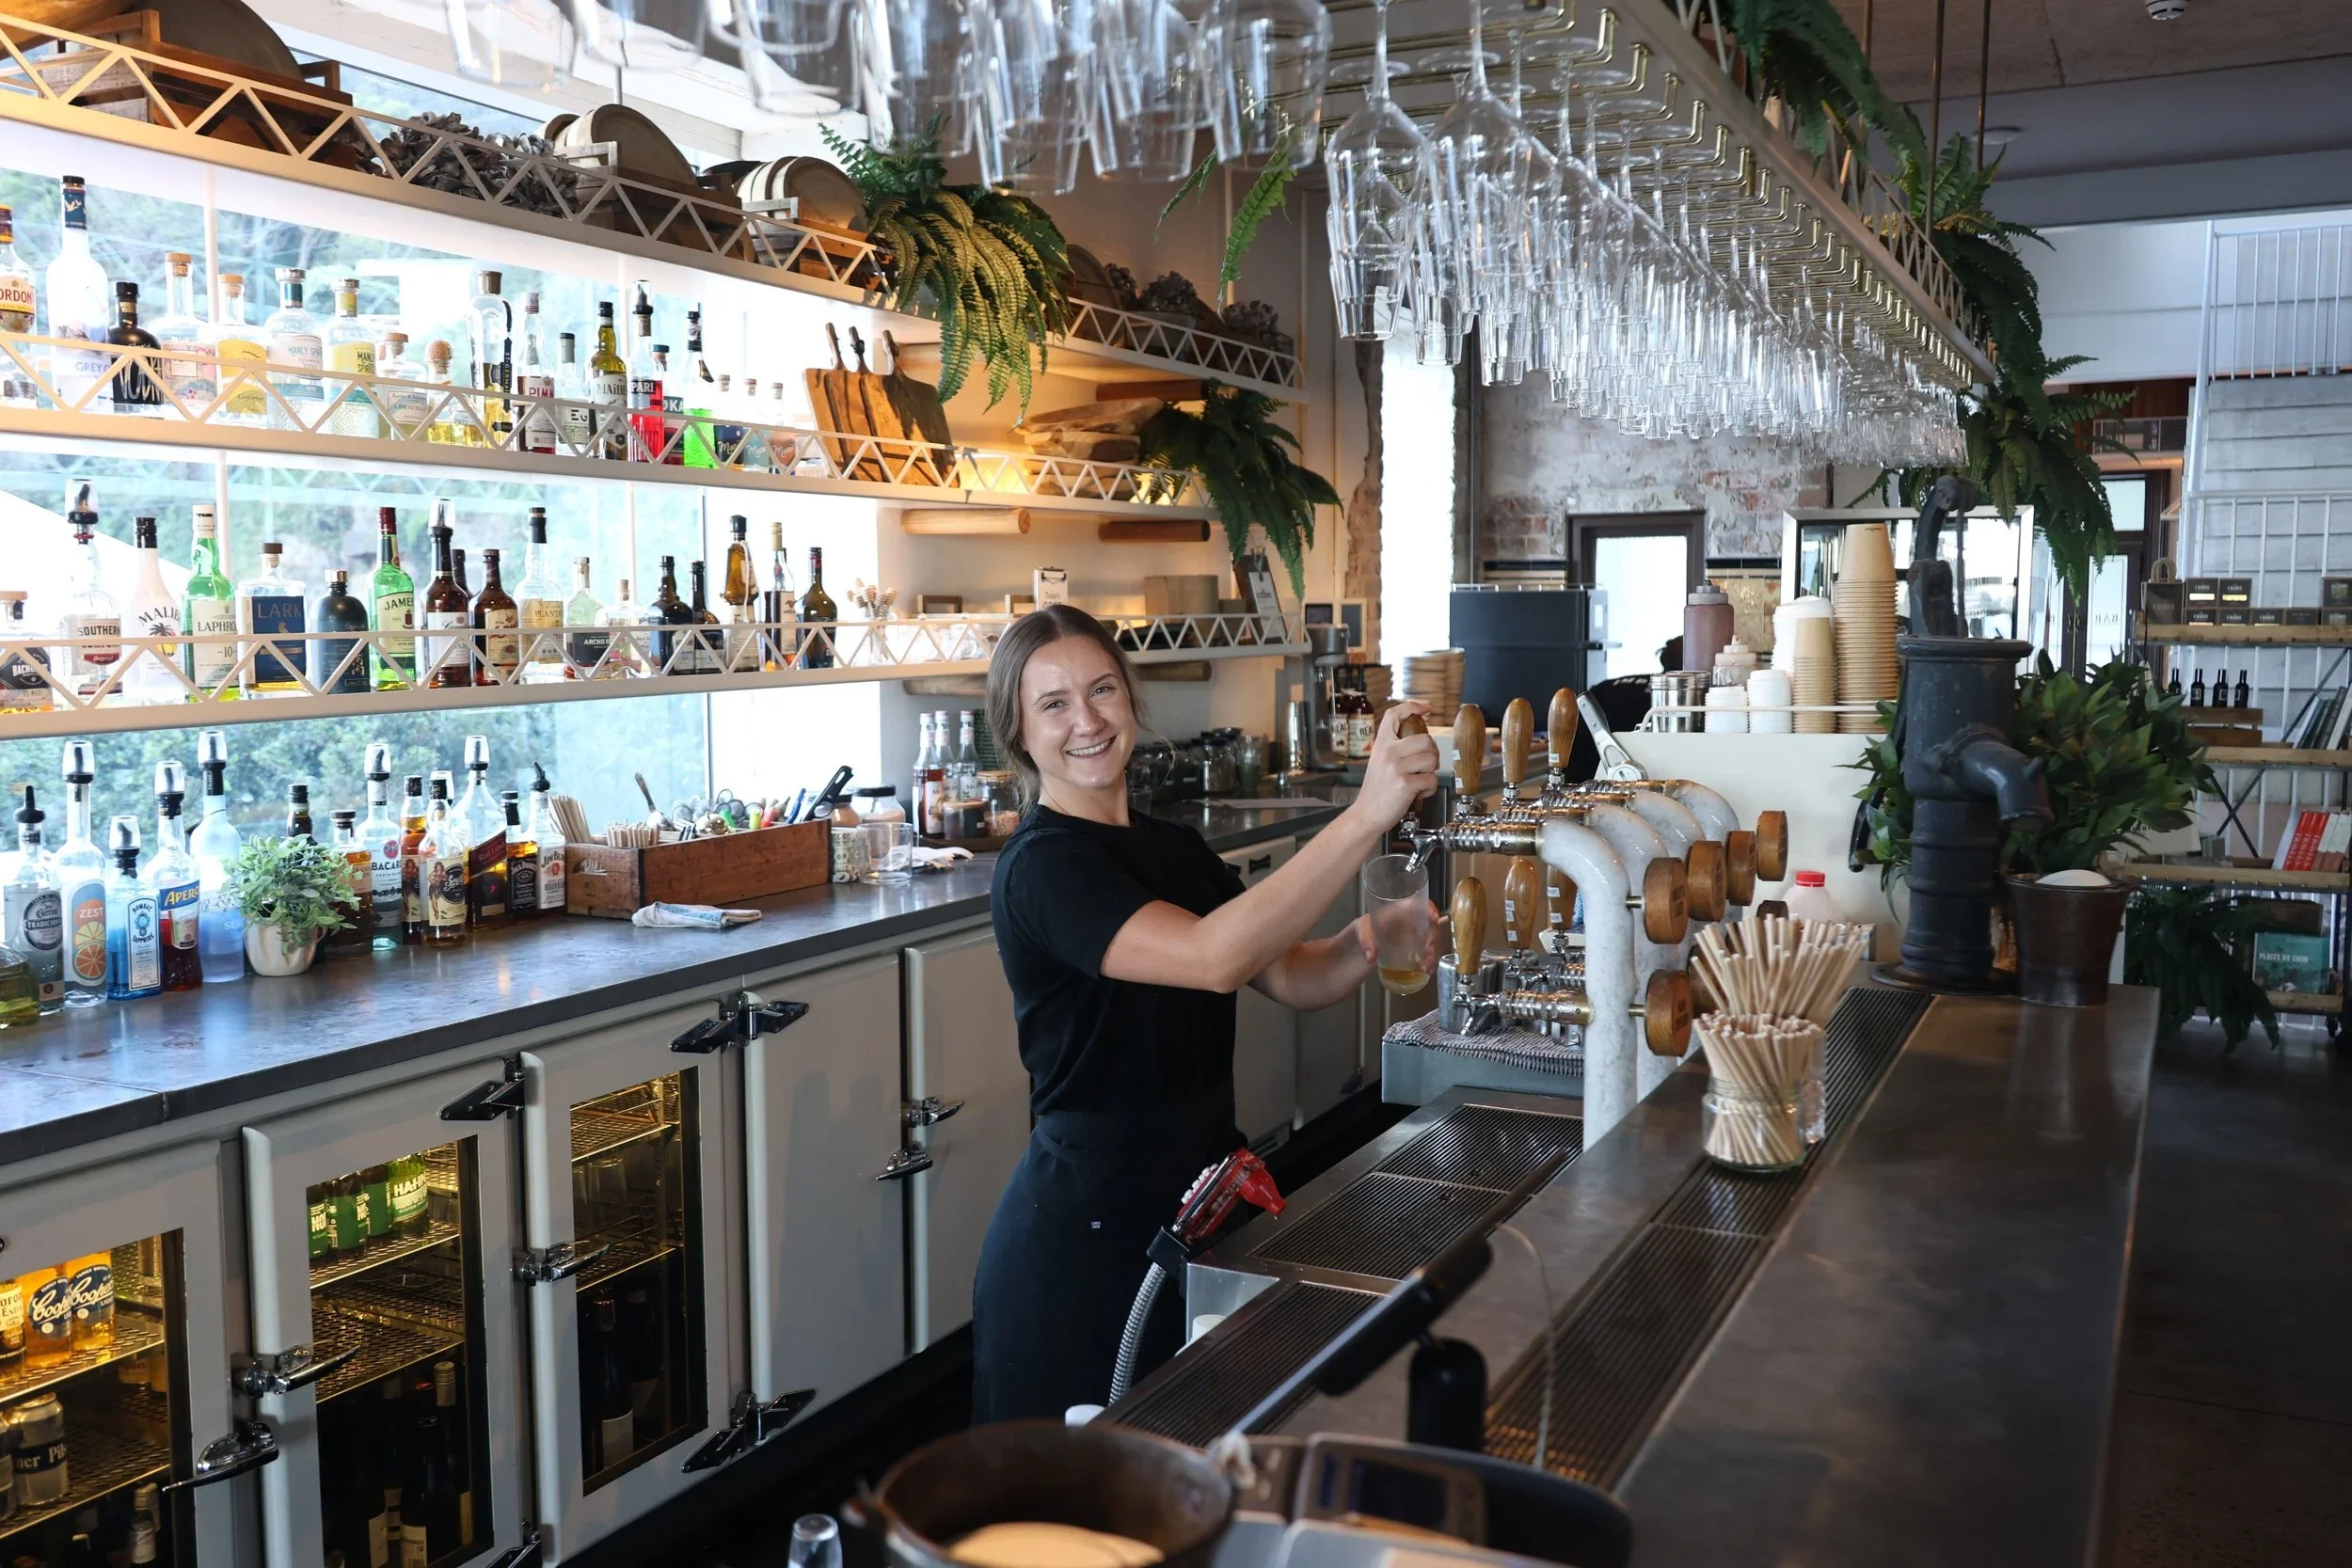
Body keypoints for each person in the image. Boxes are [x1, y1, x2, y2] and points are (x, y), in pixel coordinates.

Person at [972, 605, 1443, 1422]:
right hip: (1085, 1235)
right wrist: (1365, 813)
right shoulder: (1041, 868)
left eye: (1102, 690)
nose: (1085, 720)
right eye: (1053, 704)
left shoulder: (1173, 849)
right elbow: (1211, 959)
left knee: (1191, 1465)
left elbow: (1289, 973)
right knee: (1077, 1510)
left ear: (1131, 700)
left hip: (1195, 1204)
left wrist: (1369, 939)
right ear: (1016, 731)